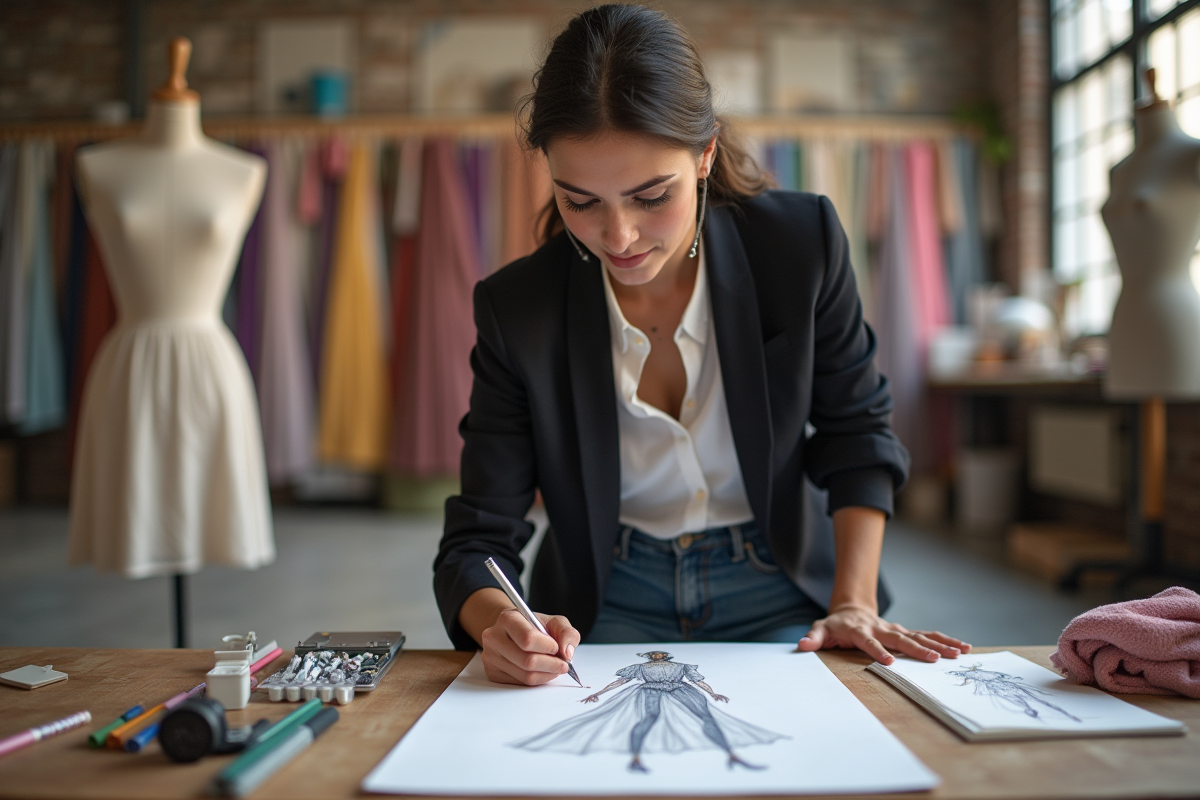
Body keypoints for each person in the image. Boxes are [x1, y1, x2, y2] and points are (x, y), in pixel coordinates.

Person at [433, 3, 970, 686]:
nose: (619, 237)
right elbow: (478, 536)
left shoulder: (799, 246)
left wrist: (854, 603)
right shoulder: (519, 309)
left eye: (651, 196)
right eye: (581, 201)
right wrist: (496, 623)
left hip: (782, 585)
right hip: (606, 597)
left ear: (705, 153)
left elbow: (857, 434)